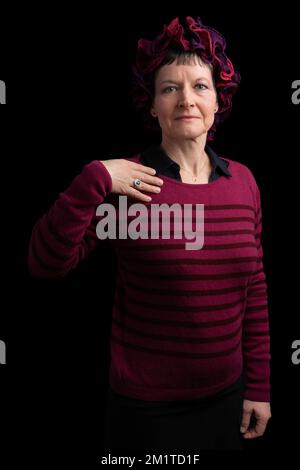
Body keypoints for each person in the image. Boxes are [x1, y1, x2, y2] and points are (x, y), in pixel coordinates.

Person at [28, 16, 271, 452]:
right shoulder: (128, 184)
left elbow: (254, 291)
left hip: (228, 400)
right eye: (169, 88)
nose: (186, 100)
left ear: (219, 100)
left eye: (200, 86)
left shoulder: (244, 183)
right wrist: (95, 176)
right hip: (147, 412)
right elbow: (45, 264)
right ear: (153, 103)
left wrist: (260, 387)